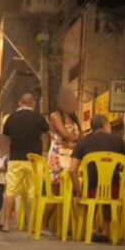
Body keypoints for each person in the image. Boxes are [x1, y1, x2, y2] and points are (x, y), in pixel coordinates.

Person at [69, 114, 125, 241]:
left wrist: (78, 191)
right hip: (114, 191)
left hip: (91, 190)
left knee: (90, 189)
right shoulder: (118, 141)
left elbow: (72, 170)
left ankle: (91, 229)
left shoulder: (84, 142)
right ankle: (107, 230)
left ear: (92, 128)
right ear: (106, 125)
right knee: (111, 187)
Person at [1, 93, 50, 232]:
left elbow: (5, 137)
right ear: (33, 103)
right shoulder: (38, 118)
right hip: (33, 160)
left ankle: (6, 223)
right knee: (32, 192)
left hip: (15, 158)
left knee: (10, 191)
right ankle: (31, 224)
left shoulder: (11, 118)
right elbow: (48, 132)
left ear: (19, 102)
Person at [42, 87, 81, 232]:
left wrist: (75, 141)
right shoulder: (55, 115)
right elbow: (64, 134)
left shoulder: (74, 117)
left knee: (69, 191)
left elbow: (79, 136)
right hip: (58, 155)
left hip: (72, 156)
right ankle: (44, 224)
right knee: (56, 191)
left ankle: (66, 226)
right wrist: (77, 139)